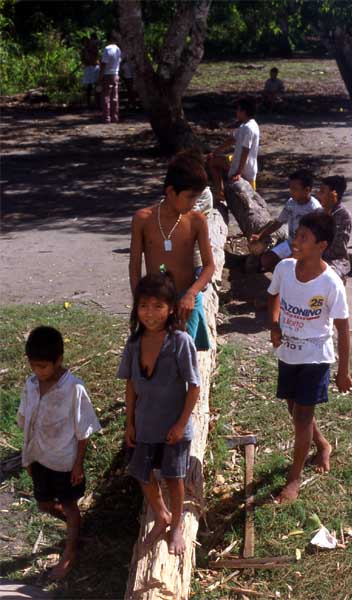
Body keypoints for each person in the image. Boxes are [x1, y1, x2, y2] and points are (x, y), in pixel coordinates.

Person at [267, 212, 352, 503]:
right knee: (294, 408)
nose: (296, 240)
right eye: (297, 234)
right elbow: (274, 296)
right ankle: (322, 444)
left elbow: (343, 328)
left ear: (322, 245)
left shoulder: (331, 284)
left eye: (304, 237)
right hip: (288, 351)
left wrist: (344, 371)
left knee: (302, 416)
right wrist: (275, 323)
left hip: (316, 355)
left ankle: (294, 480)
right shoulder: (284, 268)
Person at [117, 272, 200, 555]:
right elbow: (130, 384)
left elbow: (193, 388)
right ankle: (161, 514)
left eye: (157, 307)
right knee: (141, 473)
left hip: (173, 428)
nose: (149, 314)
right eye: (143, 306)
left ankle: (176, 526)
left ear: (171, 309)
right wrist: (129, 422)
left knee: (174, 478)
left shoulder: (180, 342)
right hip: (144, 424)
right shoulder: (134, 344)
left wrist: (180, 424)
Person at [17, 326, 101, 579]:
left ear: (59, 360)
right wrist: (29, 457)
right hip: (40, 458)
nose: (38, 372)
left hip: (64, 463)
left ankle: (70, 552)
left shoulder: (73, 389)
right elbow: (26, 421)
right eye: (34, 366)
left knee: (69, 504)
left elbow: (83, 432)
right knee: (44, 503)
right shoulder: (31, 385)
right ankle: (74, 527)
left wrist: (78, 465)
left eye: (43, 366)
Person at [129, 151, 215, 350]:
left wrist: (191, 294)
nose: (194, 203)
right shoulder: (143, 219)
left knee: (183, 353)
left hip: (186, 301)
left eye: (197, 197)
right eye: (189, 197)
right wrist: (139, 301)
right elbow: (134, 265)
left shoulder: (196, 221)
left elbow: (209, 266)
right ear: (170, 191)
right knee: (153, 353)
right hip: (154, 300)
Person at [249, 169, 321, 273]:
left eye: (295, 188)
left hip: (305, 249)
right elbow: (278, 222)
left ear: (307, 190)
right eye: (290, 188)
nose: (291, 191)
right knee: (266, 261)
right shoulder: (291, 203)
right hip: (290, 243)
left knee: (287, 268)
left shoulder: (315, 209)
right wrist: (260, 235)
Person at [207, 97, 260, 201]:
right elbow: (231, 140)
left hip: (246, 168)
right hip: (238, 161)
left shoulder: (248, 128)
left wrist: (239, 172)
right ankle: (220, 192)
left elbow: (246, 151)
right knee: (213, 161)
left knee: (249, 201)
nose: (236, 112)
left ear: (243, 112)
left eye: (238, 110)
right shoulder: (245, 126)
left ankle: (220, 192)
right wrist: (214, 153)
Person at [318, 175, 352, 281]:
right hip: (316, 258)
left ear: (334, 194)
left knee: (327, 277)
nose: (318, 194)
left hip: (336, 261)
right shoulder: (318, 211)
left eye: (322, 191)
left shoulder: (343, 215)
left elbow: (334, 247)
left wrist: (328, 209)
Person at [99, 32, 122, 123]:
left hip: (107, 74)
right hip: (115, 74)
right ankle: (115, 116)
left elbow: (104, 64)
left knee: (106, 96)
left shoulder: (107, 49)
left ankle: (106, 117)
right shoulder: (118, 49)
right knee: (114, 96)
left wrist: (100, 77)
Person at [81, 36, 100, 108]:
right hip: (88, 68)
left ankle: (97, 102)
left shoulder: (94, 48)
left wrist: (89, 50)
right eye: (84, 42)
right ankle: (88, 103)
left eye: (86, 42)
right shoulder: (83, 50)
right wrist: (86, 62)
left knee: (96, 85)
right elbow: (82, 59)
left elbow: (96, 55)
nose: (85, 43)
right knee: (88, 86)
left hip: (95, 67)